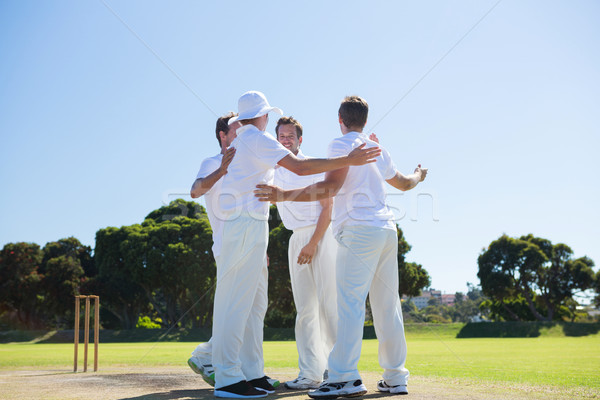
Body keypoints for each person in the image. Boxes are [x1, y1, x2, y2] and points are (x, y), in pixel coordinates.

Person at [254, 95, 428, 399]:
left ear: (340, 119)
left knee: (348, 305)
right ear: (364, 119)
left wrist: (283, 195)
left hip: (358, 231)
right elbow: (403, 183)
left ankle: (344, 377)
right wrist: (419, 175)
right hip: (387, 231)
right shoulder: (378, 148)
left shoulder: (340, 145)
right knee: (387, 306)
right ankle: (396, 377)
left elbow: (329, 188)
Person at [211, 90, 381, 398]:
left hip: (250, 225)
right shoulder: (258, 140)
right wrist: (349, 159)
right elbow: (301, 170)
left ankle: (242, 374)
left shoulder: (244, 140)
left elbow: (312, 184)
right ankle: (228, 378)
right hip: (247, 224)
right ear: (262, 116)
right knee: (238, 301)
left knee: (238, 300)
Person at [187, 112, 280, 391]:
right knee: (237, 308)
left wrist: (260, 247)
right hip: (228, 245)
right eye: (236, 130)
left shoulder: (248, 160)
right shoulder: (213, 161)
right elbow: (195, 190)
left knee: (255, 309)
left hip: (253, 244)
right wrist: (222, 170)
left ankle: (253, 372)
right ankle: (213, 361)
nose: (242, 134)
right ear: (223, 136)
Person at [274, 117, 337, 390]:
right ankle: (310, 373)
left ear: (300, 140)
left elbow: (327, 208)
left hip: (320, 236)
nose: (285, 140)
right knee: (305, 310)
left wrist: (312, 243)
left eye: (290, 136)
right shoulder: (272, 168)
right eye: (281, 136)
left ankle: (338, 372)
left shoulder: (312, 167)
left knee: (329, 306)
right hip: (295, 238)